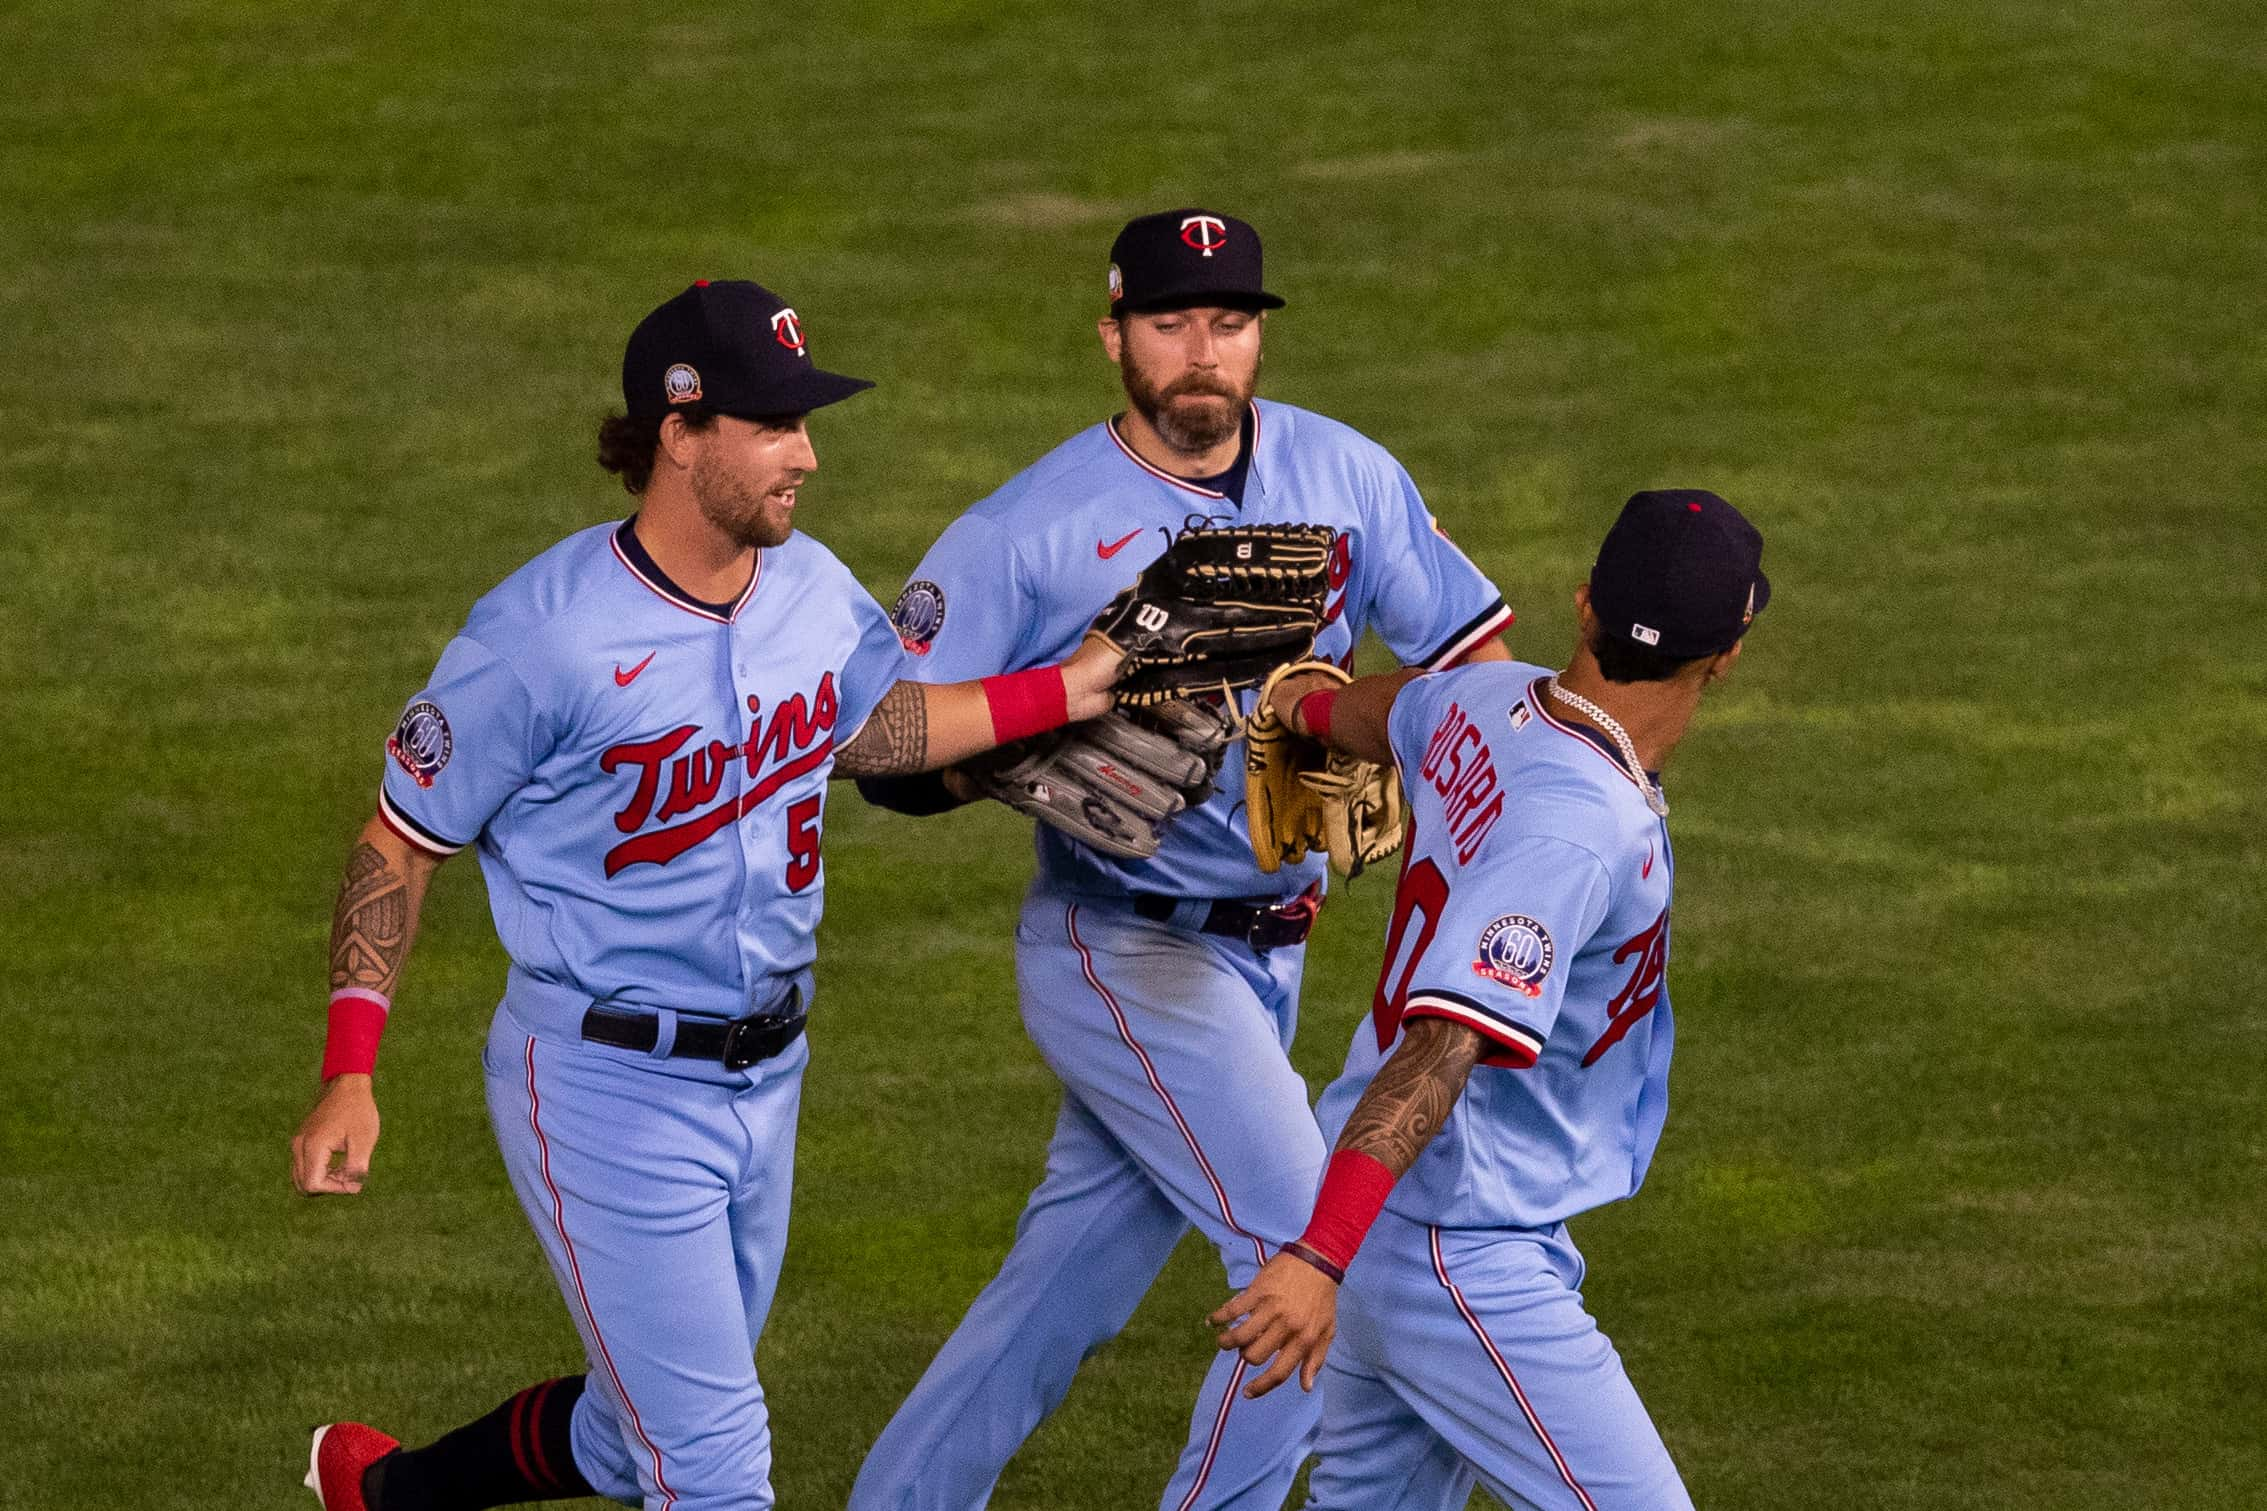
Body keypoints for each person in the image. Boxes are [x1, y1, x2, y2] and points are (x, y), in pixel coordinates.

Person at [290, 278, 1127, 1511]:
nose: (808, 452)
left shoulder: (808, 587)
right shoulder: (542, 639)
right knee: (715, 1459)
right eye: (775, 424)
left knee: (641, 1431)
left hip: (768, 1075)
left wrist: (1074, 685)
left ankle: (390, 1494)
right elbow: (398, 843)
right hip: (602, 1088)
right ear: (678, 435)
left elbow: (876, 726)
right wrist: (348, 1066)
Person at [850, 209, 1516, 1511]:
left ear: (1257, 334)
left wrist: (1359, 724)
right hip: (1123, 942)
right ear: (1113, 336)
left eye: (1227, 322)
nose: (1200, 352)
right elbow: (879, 742)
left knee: (1056, 1292)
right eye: (1168, 323)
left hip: (1274, 939)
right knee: (1309, 1261)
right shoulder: (1026, 529)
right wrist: (1056, 724)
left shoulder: (1346, 474)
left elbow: (1472, 668)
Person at [1207, 489, 1770, 1510]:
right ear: (1726, 650)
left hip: (1390, 1222)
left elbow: (1393, 707)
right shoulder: (1575, 827)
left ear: (1584, 605)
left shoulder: (1487, 698)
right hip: (1451, 1243)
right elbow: (1437, 1047)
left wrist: (1295, 709)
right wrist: (1316, 1258)